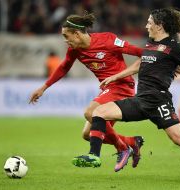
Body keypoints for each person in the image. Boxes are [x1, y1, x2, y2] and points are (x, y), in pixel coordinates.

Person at [72, 8, 180, 183]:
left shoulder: (176, 48)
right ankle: (94, 155)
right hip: (140, 101)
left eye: (149, 22)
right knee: (98, 112)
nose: (146, 25)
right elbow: (140, 63)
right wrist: (115, 76)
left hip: (159, 102)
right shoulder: (150, 43)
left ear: (159, 26)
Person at [29, 12, 145, 172]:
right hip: (108, 89)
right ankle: (132, 142)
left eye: (66, 36)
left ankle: (122, 148)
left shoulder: (108, 40)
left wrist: (166, 62)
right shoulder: (74, 49)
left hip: (122, 87)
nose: (65, 40)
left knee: (90, 112)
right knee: (87, 134)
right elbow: (64, 67)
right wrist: (44, 87)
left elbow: (140, 53)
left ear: (77, 34)